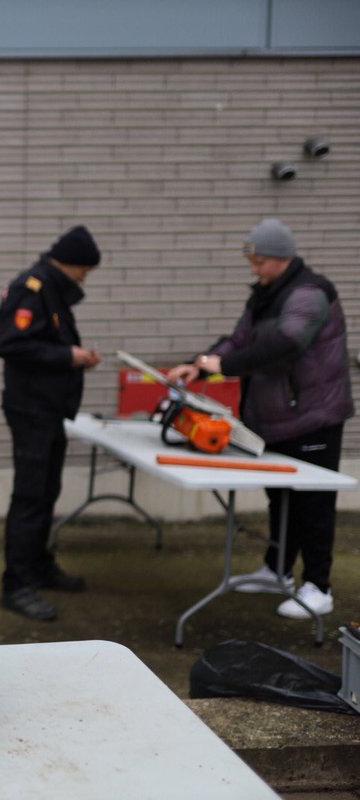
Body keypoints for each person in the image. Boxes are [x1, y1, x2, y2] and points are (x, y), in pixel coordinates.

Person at [169, 218, 353, 619]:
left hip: (312, 417)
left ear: (282, 258)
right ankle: (278, 570)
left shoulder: (309, 294)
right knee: (280, 497)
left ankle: (318, 586)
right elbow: (238, 340)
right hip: (274, 417)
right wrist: (198, 366)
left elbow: (287, 342)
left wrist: (226, 364)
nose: (254, 268)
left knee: (315, 503)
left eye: (260, 261)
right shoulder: (265, 295)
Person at [0, 225, 103, 621]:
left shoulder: (52, 291)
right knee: (30, 495)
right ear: (70, 262)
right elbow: (7, 343)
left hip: (49, 409)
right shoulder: (32, 288)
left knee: (46, 491)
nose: (83, 280)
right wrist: (69, 357)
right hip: (31, 409)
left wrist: (71, 355)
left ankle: (38, 566)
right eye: (83, 271)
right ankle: (17, 584)